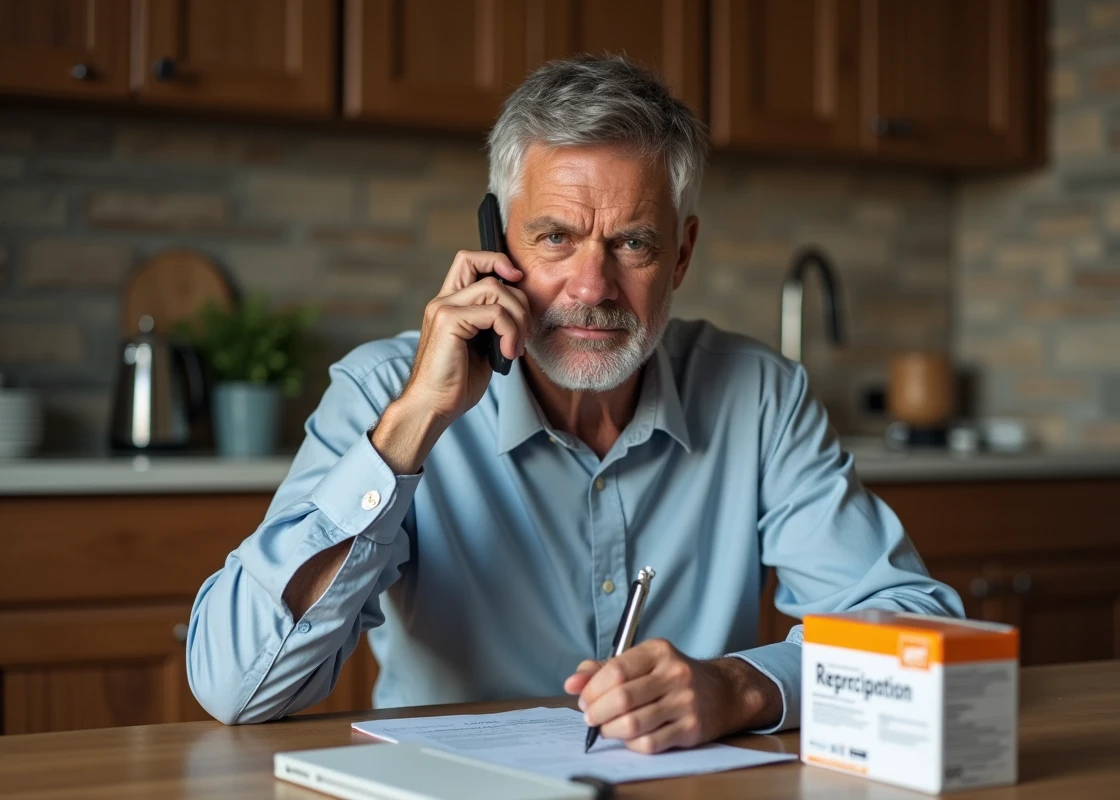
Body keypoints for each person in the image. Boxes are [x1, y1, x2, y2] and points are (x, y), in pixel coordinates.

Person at [187, 56, 962, 753]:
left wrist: (740, 687)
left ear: (682, 255)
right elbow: (235, 688)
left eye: (633, 244)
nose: (591, 290)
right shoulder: (384, 394)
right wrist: (411, 427)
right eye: (555, 238)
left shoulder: (760, 396)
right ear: (496, 242)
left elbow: (921, 641)